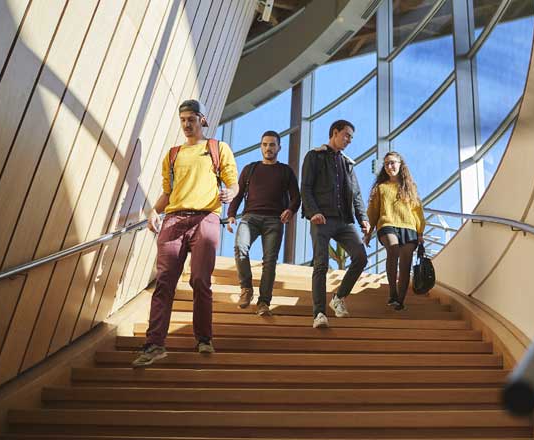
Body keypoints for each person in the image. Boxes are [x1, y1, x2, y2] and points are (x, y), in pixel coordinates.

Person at [132, 99, 239, 367]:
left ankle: (204, 339)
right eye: (182, 120)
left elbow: (233, 183)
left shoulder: (217, 148)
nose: (187, 125)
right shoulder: (173, 154)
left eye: (191, 119)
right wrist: (153, 211)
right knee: (164, 282)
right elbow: (168, 193)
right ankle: (154, 344)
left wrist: (231, 192)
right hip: (174, 220)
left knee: (201, 281)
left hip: (206, 218)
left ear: (202, 120)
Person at [301, 119, 370, 328]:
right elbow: (305, 187)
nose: (349, 140)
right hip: (321, 219)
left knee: (360, 257)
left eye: (351, 137)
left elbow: (356, 194)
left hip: (343, 221)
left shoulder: (348, 164)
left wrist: (363, 219)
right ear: (335, 132)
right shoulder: (315, 155)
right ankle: (319, 314)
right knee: (321, 264)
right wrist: (313, 212)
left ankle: (338, 297)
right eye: (347, 135)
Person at [226, 130, 301, 316]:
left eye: (272, 145)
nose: (268, 148)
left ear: (279, 147)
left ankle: (263, 302)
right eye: (265, 144)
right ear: (261, 147)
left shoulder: (285, 171)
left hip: (274, 221)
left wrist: (290, 210)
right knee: (240, 247)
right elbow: (239, 192)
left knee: (270, 261)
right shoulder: (250, 169)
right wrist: (231, 214)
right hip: (250, 217)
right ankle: (246, 289)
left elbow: (296, 197)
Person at [364, 151, 425, 311]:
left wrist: (420, 232)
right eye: (386, 164)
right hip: (387, 224)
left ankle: (400, 300)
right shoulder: (381, 187)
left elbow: (417, 211)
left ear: (400, 164)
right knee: (393, 248)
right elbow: (373, 210)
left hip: (409, 227)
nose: (389, 166)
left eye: (392, 162)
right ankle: (392, 291)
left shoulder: (410, 187)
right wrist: (369, 231)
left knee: (405, 264)